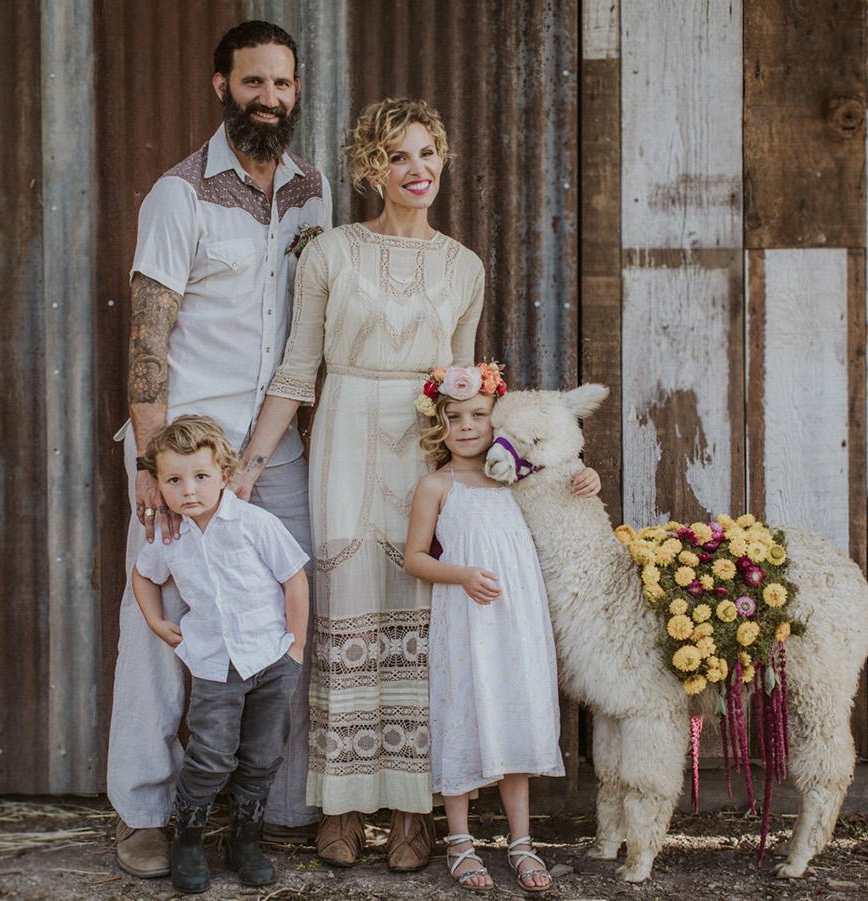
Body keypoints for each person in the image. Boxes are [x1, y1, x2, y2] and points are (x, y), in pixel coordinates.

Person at [237, 97, 600, 872]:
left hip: (431, 452)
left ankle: (414, 811)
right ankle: (340, 804)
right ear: (373, 168)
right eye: (399, 156)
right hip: (345, 434)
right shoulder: (329, 254)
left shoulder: (463, 265)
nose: (417, 169)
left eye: (428, 153)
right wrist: (248, 466)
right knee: (346, 607)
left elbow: (472, 393)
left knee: (426, 618)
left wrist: (553, 468)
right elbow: (299, 372)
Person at [108, 20, 330, 878]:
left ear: (296, 90)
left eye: (282, 84)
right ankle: (144, 811)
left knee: (287, 612)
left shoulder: (311, 190)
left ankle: (266, 805)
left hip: (274, 452)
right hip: (189, 457)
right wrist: (149, 465)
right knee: (164, 624)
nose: (268, 99)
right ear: (220, 87)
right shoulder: (179, 194)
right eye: (252, 84)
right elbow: (147, 338)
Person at [404, 364, 563, 893]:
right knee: (465, 709)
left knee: (514, 710)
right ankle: (460, 841)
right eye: (455, 417)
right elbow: (414, 559)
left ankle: (521, 842)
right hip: (468, 616)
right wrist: (462, 575)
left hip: (517, 619)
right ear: (440, 424)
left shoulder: (515, 478)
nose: (467, 426)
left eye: (478, 415)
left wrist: (590, 478)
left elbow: (567, 485)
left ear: (498, 421)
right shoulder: (436, 485)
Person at [132, 416, 309, 891]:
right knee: (210, 754)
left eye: (201, 476)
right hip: (214, 667)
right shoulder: (170, 538)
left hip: (271, 660)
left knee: (263, 753)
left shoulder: (254, 523)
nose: (188, 490)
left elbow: (294, 578)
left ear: (224, 475)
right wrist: (153, 619)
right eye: (174, 480)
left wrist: (295, 647)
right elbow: (143, 575)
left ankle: (243, 841)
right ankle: (188, 842)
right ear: (160, 484)